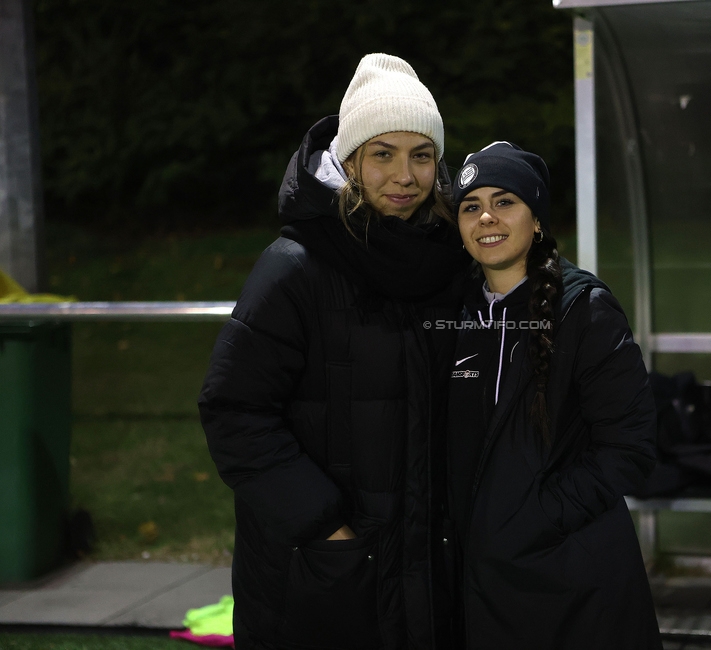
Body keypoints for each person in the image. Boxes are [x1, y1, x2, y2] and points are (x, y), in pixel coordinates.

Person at [199, 53, 468, 650]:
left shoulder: (450, 260)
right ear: (348, 162)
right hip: (321, 571)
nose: (405, 175)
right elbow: (233, 412)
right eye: (383, 154)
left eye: (421, 155)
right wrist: (327, 528)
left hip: (426, 567)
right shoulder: (294, 267)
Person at [446, 142, 663, 649]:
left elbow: (630, 449)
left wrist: (537, 519)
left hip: (572, 578)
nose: (486, 218)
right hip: (479, 582)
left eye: (504, 201)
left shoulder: (585, 309)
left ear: (537, 218)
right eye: (470, 206)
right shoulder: (449, 313)